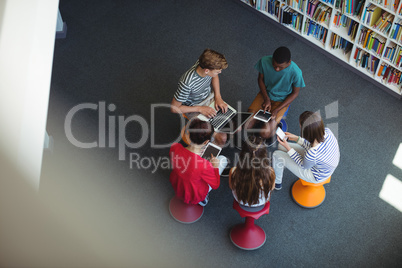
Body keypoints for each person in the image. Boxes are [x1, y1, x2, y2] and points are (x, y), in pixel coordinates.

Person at [170, 48, 229, 146]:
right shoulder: (187, 83)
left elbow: (214, 76)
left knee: (232, 122)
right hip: (194, 107)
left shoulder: (204, 63)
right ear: (206, 70)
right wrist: (200, 109)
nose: (220, 73)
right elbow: (174, 108)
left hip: (208, 97)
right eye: (218, 71)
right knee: (221, 138)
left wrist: (218, 97)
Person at [245, 46, 306, 140]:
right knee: (247, 125)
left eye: (280, 67)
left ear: (289, 63)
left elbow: (295, 93)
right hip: (265, 94)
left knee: (265, 134)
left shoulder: (296, 72)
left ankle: (276, 125)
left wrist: (277, 109)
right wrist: (266, 98)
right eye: (274, 65)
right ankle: (262, 121)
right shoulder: (264, 61)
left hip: (282, 101)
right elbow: (260, 79)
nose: (277, 69)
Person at [272, 111, 340, 190]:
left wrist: (288, 148)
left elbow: (303, 165)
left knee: (276, 155)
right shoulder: (327, 132)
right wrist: (297, 139)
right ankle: (279, 164)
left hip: (316, 175)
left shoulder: (312, 153)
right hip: (325, 165)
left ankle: (277, 183)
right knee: (281, 146)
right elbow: (313, 144)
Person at [169, 119, 228, 206]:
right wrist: (215, 167)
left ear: (188, 134)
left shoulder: (175, 147)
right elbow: (215, 185)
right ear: (206, 142)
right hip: (195, 195)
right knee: (223, 159)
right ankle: (202, 199)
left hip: (177, 185)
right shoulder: (205, 165)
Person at [229, 136, 275, 212]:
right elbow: (272, 188)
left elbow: (231, 187)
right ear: (264, 155)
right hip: (261, 203)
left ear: (243, 154)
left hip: (240, 201)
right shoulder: (270, 172)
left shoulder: (234, 171)